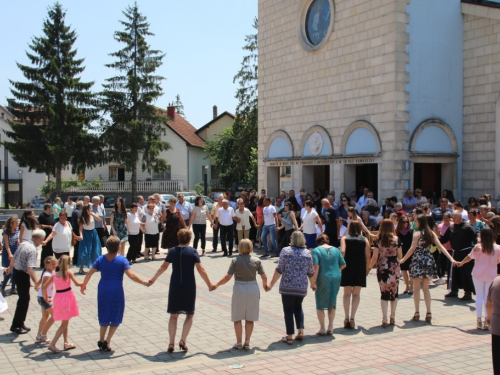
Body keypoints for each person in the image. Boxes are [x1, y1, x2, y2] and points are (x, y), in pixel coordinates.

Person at [149, 229, 215, 352]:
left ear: (178, 239)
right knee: (189, 314)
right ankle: (183, 340)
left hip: (175, 285)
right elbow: (201, 269)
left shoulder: (173, 251)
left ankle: (171, 343)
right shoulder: (192, 252)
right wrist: (209, 284)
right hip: (189, 285)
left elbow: (163, 267)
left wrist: (153, 279)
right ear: (189, 240)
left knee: (173, 315)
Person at [80, 236, 150, 351]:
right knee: (115, 315)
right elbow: (131, 275)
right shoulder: (122, 260)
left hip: (102, 289)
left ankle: (101, 339)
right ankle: (107, 341)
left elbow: (90, 273)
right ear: (118, 247)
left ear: (107, 247)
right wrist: (143, 282)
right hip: (116, 290)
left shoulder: (100, 259)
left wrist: (84, 285)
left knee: (104, 313)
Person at [400, 215, 456, 323]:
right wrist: (451, 258)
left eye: (416, 221)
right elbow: (441, 247)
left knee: (416, 287)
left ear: (420, 222)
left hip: (418, 259)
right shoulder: (431, 233)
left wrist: (402, 260)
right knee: (426, 288)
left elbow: (412, 249)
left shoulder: (417, 234)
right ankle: (429, 312)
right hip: (428, 259)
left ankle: (417, 312)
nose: (414, 222)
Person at [213, 239, 267, 350]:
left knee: (237, 316)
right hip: (253, 287)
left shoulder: (235, 260)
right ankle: (247, 342)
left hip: (239, 288)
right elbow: (264, 276)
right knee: (250, 317)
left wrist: (217, 284)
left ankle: (238, 342)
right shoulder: (257, 260)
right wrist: (266, 286)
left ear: (240, 247)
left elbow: (227, 277)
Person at [267, 231, 314, 345]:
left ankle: (289, 336)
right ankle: (301, 331)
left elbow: (279, 269)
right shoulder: (307, 253)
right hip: (301, 286)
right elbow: (310, 272)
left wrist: (271, 284)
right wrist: (313, 284)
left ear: (293, 239)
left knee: (288, 310)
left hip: (287, 286)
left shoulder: (286, 251)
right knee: (298, 307)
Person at [457, 227, 500, 330]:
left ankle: (478, 320)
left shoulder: (478, 247)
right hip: (491, 275)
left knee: (479, 297)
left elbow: (469, 257)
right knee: (487, 298)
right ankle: (487, 320)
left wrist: (461, 263)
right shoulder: (497, 248)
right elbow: (498, 261)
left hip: (478, 274)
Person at [6, 229, 45, 334]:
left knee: (24, 299)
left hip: (17, 273)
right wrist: (37, 283)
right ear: (39, 238)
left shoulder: (24, 243)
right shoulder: (32, 249)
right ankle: (16, 325)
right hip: (23, 275)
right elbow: (30, 269)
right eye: (42, 240)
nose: (42, 242)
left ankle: (20, 322)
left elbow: (14, 257)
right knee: (24, 300)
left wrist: (10, 268)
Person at [43, 255, 81, 353]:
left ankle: (66, 342)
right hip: (67, 297)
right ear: (69, 263)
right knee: (64, 324)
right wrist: (84, 283)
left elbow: (44, 287)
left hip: (58, 297)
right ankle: (53, 344)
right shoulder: (68, 272)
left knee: (65, 321)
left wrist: (46, 297)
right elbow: (77, 283)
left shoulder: (55, 275)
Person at [369, 220, 403, 327]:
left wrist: (369, 267)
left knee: (384, 293)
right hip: (393, 266)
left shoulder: (378, 239)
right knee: (394, 291)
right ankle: (392, 316)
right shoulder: (396, 239)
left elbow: (374, 257)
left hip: (382, 266)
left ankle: (384, 318)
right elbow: (400, 256)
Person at [311, 234, 346, 335]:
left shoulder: (316, 250)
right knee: (332, 301)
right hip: (336, 276)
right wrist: (336, 270)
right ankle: (330, 326)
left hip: (323, 277)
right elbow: (343, 264)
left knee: (320, 303)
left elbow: (316, 267)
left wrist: (313, 281)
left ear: (318, 242)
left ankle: (322, 327)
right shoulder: (336, 249)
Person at [439, 211, 478, 301]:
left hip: (465, 254)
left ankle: (468, 293)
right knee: (453, 272)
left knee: (466, 273)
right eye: (453, 217)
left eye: (455, 217)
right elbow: (444, 239)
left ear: (460, 218)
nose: (453, 219)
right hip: (454, 253)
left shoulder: (468, 227)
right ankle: (454, 290)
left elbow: (476, 237)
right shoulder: (451, 227)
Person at [340, 221, 371, 329]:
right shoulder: (364, 240)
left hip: (347, 267)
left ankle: (346, 317)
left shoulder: (344, 238)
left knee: (347, 293)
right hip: (360, 267)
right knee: (356, 294)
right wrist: (367, 269)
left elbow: (342, 251)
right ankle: (353, 317)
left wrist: (340, 266)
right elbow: (368, 255)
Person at [35, 256, 57, 344]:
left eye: (55, 264)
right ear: (46, 265)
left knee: (45, 316)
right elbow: (44, 287)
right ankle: (44, 334)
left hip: (42, 297)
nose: (54, 265)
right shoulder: (47, 275)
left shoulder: (46, 272)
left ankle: (39, 335)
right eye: (52, 264)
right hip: (44, 298)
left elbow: (39, 282)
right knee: (55, 315)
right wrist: (46, 297)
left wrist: (36, 286)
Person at [77, 204, 103, 275]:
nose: (91, 209)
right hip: (86, 234)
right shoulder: (82, 217)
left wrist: (91, 214)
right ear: (87, 209)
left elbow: (99, 219)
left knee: (95, 250)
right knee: (84, 251)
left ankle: (96, 266)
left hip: (93, 233)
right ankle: (81, 268)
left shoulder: (92, 215)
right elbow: (80, 228)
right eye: (90, 208)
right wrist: (81, 235)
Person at [1, 216, 20, 297]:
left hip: (15, 253)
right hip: (7, 254)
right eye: (16, 223)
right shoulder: (6, 232)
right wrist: (9, 254)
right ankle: (2, 287)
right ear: (11, 224)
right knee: (9, 272)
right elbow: (6, 245)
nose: (17, 224)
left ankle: (13, 288)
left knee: (15, 271)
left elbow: (17, 241)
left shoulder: (17, 230)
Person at [396, 215, 414, 295]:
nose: (405, 223)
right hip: (401, 253)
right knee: (403, 270)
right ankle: (407, 285)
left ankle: (411, 287)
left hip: (410, 252)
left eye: (407, 222)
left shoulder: (411, 231)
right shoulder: (397, 232)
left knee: (411, 271)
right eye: (404, 222)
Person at [486, 276, 500, 374]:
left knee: (498, 361)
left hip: (497, 325)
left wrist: (489, 318)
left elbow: (489, 304)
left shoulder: (496, 281)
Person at [38, 203, 56, 268]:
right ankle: (43, 264)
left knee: (51, 249)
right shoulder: (42, 216)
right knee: (45, 249)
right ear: (47, 208)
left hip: (51, 235)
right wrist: (48, 226)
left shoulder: (51, 215)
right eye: (50, 207)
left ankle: (50, 263)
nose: (51, 209)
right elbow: (38, 225)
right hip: (45, 234)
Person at [71, 201, 82, 266]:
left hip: (76, 229)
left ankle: (75, 259)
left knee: (77, 246)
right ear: (80, 206)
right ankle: (76, 259)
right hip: (77, 230)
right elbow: (78, 221)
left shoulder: (75, 211)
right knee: (77, 246)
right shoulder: (77, 212)